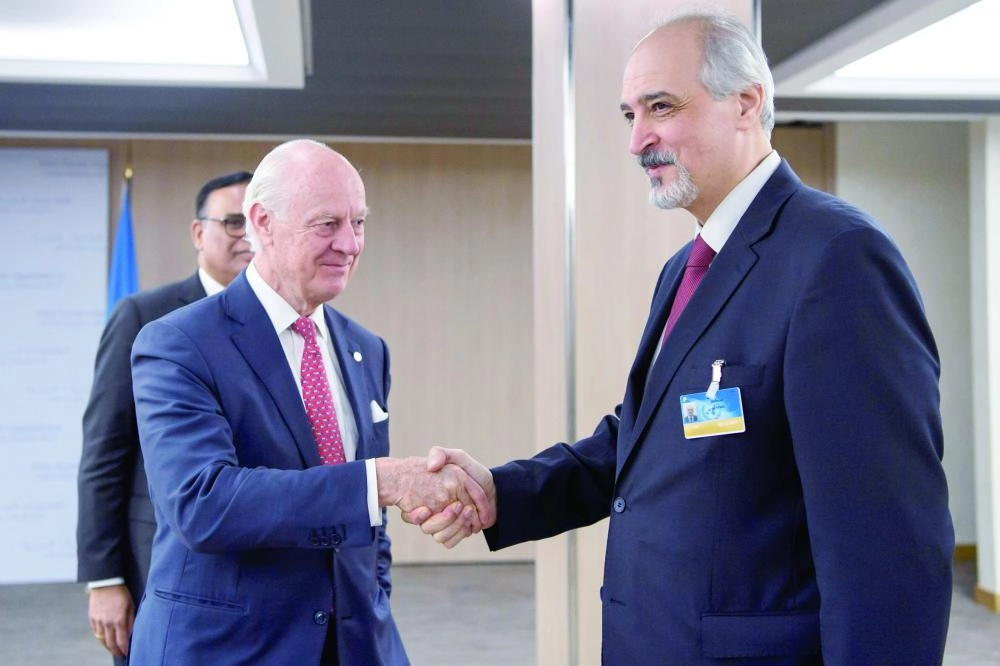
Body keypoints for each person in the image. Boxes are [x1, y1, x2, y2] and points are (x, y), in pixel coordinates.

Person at [414, 11, 955, 664]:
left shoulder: (836, 258)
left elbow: (888, 546)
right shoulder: (687, 268)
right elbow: (646, 441)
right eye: (628, 115)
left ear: (746, 104)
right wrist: (504, 493)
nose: (638, 138)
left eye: (660, 107)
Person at [128, 139, 487, 665]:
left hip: (358, 645)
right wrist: (384, 481)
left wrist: (373, 597)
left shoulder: (367, 349)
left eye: (358, 222)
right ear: (262, 222)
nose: (350, 243)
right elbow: (202, 504)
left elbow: (368, 527)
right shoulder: (178, 343)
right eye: (327, 224)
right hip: (228, 650)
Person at [77, 170, 255, 662]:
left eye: (260, 222)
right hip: (156, 565)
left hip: (258, 575)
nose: (249, 237)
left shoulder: (290, 325)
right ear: (199, 233)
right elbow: (105, 450)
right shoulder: (144, 315)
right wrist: (106, 578)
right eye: (234, 222)